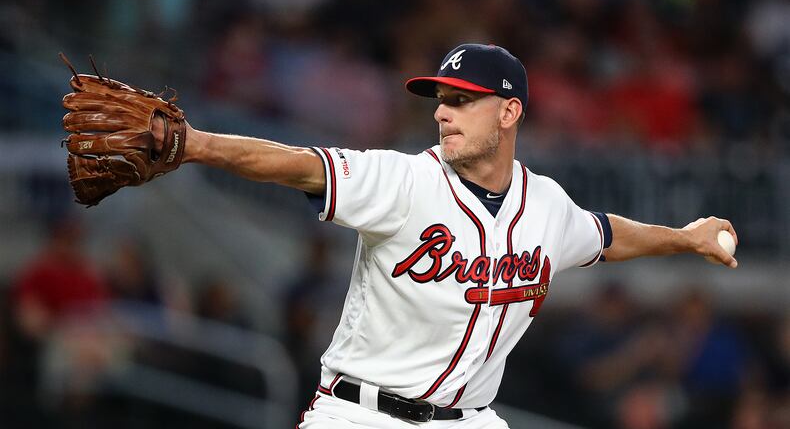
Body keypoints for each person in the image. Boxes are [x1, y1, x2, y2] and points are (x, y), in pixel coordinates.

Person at [152, 43, 738, 428]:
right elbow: (301, 164)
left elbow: (607, 236)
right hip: (362, 416)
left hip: (469, 420)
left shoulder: (548, 206)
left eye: (461, 101)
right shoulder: (405, 180)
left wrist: (684, 238)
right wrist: (196, 144)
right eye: (441, 102)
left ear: (509, 114)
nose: (442, 114)